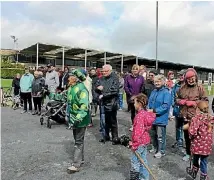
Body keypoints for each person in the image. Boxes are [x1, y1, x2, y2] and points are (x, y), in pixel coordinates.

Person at [176, 68, 208, 161]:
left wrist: (195, 103)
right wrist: (180, 101)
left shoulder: (200, 87)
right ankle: (188, 153)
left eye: (192, 78)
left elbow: (205, 101)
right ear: (186, 79)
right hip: (185, 117)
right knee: (187, 136)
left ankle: (197, 155)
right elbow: (176, 99)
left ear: (195, 77)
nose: (191, 80)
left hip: (196, 118)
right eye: (189, 78)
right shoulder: (182, 87)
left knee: (196, 137)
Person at [66, 69, 90, 174]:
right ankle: (81, 160)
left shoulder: (82, 89)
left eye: (69, 76)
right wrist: (49, 94)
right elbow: (63, 98)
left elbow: (84, 106)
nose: (67, 78)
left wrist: (78, 119)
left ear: (75, 78)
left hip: (81, 120)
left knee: (78, 141)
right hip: (74, 119)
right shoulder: (71, 88)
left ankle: (76, 164)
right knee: (78, 140)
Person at [129, 94, 156, 180]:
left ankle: (135, 178)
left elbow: (138, 132)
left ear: (139, 104)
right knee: (143, 160)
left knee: (135, 161)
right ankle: (144, 178)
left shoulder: (139, 116)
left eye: (135, 102)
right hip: (145, 141)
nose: (134, 104)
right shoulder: (145, 114)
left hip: (139, 142)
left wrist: (134, 144)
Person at [186, 101, 214, 180]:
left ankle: (194, 172)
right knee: (204, 161)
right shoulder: (210, 118)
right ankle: (203, 176)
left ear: (198, 108)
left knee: (195, 158)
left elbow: (192, 131)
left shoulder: (196, 118)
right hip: (207, 146)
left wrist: (190, 136)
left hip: (197, 144)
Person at [147, 74, 172, 158]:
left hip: (161, 117)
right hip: (152, 117)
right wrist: (148, 109)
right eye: (155, 81)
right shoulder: (154, 91)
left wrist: (154, 111)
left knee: (160, 136)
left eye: (158, 81)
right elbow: (149, 102)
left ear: (163, 82)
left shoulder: (166, 92)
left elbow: (165, 106)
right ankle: (154, 147)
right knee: (153, 134)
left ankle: (161, 151)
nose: (156, 83)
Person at [95, 64, 120, 144]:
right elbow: (96, 87)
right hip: (103, 102)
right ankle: (105, 136)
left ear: (110, 71)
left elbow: (115, 90)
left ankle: (115, 137)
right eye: (103, 71)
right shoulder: (101, 78)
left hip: (111, 102)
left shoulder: (115, 78)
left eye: (106, 71)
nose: (104, 72)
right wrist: (97, 88)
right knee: (104, 121)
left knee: (113, 121)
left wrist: (104, 94)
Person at [124, 64, 145, 131]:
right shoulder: (128, 77)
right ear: (132, 70)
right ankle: (133, 125)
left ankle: (140, 125)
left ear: (139, 70)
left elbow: (142, 87)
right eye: (134, 69)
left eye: (136, 69)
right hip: (131, 97)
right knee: (133, 112)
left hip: (139, 97)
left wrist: (138, 95)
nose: (135, 70)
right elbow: (126, 87)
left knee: (139, 112)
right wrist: (131, 94)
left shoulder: (141, 78)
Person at [171, 69, 186, 149]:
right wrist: (173, 104)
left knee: (185, 127)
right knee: (178, 126)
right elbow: (172, 95)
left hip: (185, 111)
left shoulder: (188, 86)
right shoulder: (176, 86)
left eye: (182, 75)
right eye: (179, 75)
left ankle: (184, 142)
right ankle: (178, 141)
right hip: (177, 110)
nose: (180, 76)